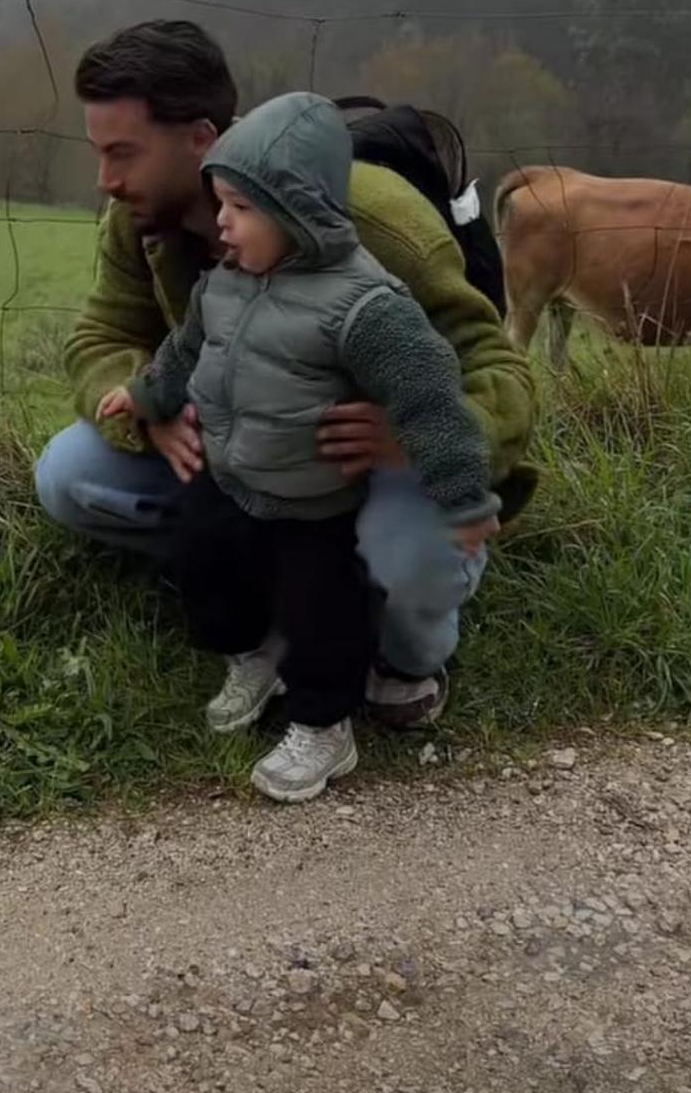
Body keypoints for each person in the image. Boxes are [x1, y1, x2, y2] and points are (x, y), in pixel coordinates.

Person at [35, 21, 538, 732]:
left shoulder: (376, 221)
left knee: (410, 560)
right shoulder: (137, 220)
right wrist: (147, 412)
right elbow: (103, 336)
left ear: (200, 138)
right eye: (98, 154)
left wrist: (413, 438)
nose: (105, 181)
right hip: (252, 459)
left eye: (123, 153)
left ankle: (403, 648)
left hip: (376, 464)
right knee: (68, 473)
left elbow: (502, 369)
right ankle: (274, 599)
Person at [96, 91, 499, 801]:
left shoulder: (366, 307)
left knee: (323, 615)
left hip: (317, 501)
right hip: (226, 476)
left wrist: (463, 496)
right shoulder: (225, 283)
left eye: (241, 208)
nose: (221, 220)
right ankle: (252, 657)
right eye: (220, 202)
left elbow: (431, 402)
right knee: (206, 568)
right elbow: (184, 351)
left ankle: (324, 725)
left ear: (298, 211)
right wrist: (147, 397)